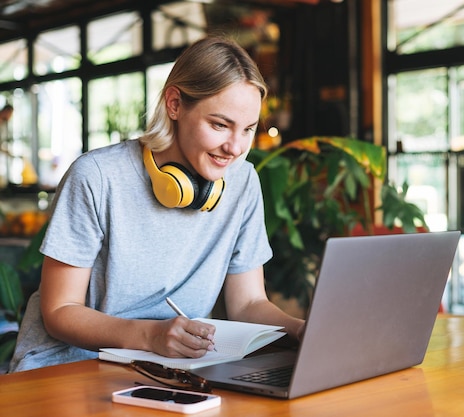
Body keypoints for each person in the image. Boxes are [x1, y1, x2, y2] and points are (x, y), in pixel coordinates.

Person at [9, 36, 305, 372]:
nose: (235, 147)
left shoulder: (243, 181)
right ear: (175, 104)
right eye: (220, 125)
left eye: (248, 129)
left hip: (168, 367)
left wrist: (300, 330)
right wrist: (150, 336)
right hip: (69, 365)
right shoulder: (97, 176)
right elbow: (60, 310)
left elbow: (249, 303)